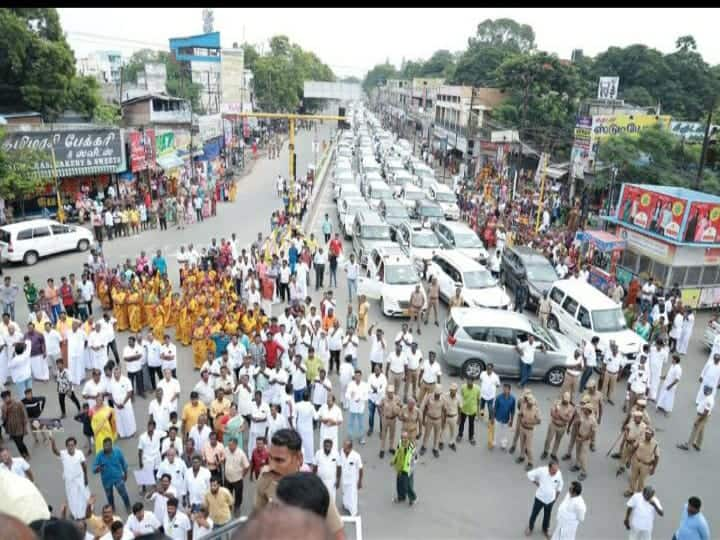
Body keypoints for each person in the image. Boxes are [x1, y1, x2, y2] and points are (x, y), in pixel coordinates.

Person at [253, 429, 345, 540]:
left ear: (299, 459)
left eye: (279, 460)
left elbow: (338, 535)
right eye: (270, 458)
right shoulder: (266, 477)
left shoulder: (315, 489)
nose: (272, 466)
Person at [49, 434, 89, 519]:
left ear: (75, 445)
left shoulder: (79, 453)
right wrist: (53, 442)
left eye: (72, 445)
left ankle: (85, 511)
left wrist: (85, 478)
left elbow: (84, 466)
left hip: (80, 478)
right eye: (69, 445)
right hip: (69, 481)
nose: (71, 447)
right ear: (66, 446)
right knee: (72, 498)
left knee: (82, 495)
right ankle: (76, 514)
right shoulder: (63, 454)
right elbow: (55, 451)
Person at [525, 461, 564, 538]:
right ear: (549, 468)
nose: (555, 472)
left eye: (556, 470)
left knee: (547, 516)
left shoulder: (558, 473)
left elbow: (560, 485)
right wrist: (536, 483)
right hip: (539, 498)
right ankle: (530, 527)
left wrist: (555, 498)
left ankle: (545, 529)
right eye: (553, 470)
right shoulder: (541, 470)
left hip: (550, 500)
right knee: (534, 514)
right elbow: (529, 474)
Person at [93, 437, 130, 514]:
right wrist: (99, 468)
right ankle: (112, 509)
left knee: (124, 494)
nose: (105, 447)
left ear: (111, 445)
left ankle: (128, 506)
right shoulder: (99, 455)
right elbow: (94, 469)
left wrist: (126, 474)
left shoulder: (117, 451)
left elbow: (124, 463)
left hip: (118, 478)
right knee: (109, 496)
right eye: (104, 446)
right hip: (106, 480)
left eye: (107, 446)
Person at [678, 385, 714, 452]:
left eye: (705, 390)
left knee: (695, 429)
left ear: (709, 391)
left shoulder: (709, 400)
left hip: (702, 416)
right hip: (705, 416)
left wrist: (698, 420)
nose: (704, 391)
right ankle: (698, 445)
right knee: (701, 430)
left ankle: (687, 445)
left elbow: (706, 412)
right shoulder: (710, 397)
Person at [391, 430, 418, 506]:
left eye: (405, 438)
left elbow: (415, 459)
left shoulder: (412, 447)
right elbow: (397, 452)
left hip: (407, 469)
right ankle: (401, 497)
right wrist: (393, 461)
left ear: (408, 438)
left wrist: (411, 469)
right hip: (400, 467)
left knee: (407, 485)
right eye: (402, 437)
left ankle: (413, 498)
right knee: (399, 483)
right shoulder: (400, 443)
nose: (403, 439)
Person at [338, 439, 363, 516]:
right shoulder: (341, 452)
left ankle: (353, 513)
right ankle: (346, 506)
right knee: (345, 493)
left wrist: (360, 482)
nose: (344, 448)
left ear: (350, 448)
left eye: (345, 447)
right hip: (344, 478)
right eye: (343, 446)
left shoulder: (356, 456)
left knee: (352, 496)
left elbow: (361, 469)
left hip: (353, 480)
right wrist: (338, 479)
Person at [457, 377, 480, 445]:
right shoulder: (463, 387)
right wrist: (459, 408)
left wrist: (478, 412)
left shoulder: (477, 389)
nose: (468, 383)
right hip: (464, 409)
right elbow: (461, 398)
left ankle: (471, 437)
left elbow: (478, 400)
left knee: (471, 424)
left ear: (473, 381)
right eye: (468, 381)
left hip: (472, 410)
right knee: (462, 423)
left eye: (470, 381)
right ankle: (460, 435)